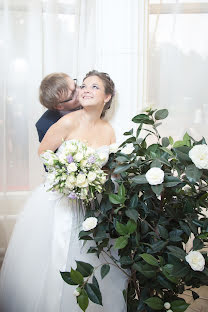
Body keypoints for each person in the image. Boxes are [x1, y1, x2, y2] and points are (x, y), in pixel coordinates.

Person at [0, 70, 128, 312]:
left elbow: (111, 168)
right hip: (60, 200)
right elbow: (44, 154)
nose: (86, 89)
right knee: (57, 257)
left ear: (108, 97)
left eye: (95, 87)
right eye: (85, 86)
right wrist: (69, 174)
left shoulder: (108, 129)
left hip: (92, 203)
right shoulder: (66, 122)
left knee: (90, 257)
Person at [36, 72, 80, 142]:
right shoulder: (45, 126)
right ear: (59, 106)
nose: (80, 91)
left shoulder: (93, 99)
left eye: (76, 85)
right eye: (73, 94)